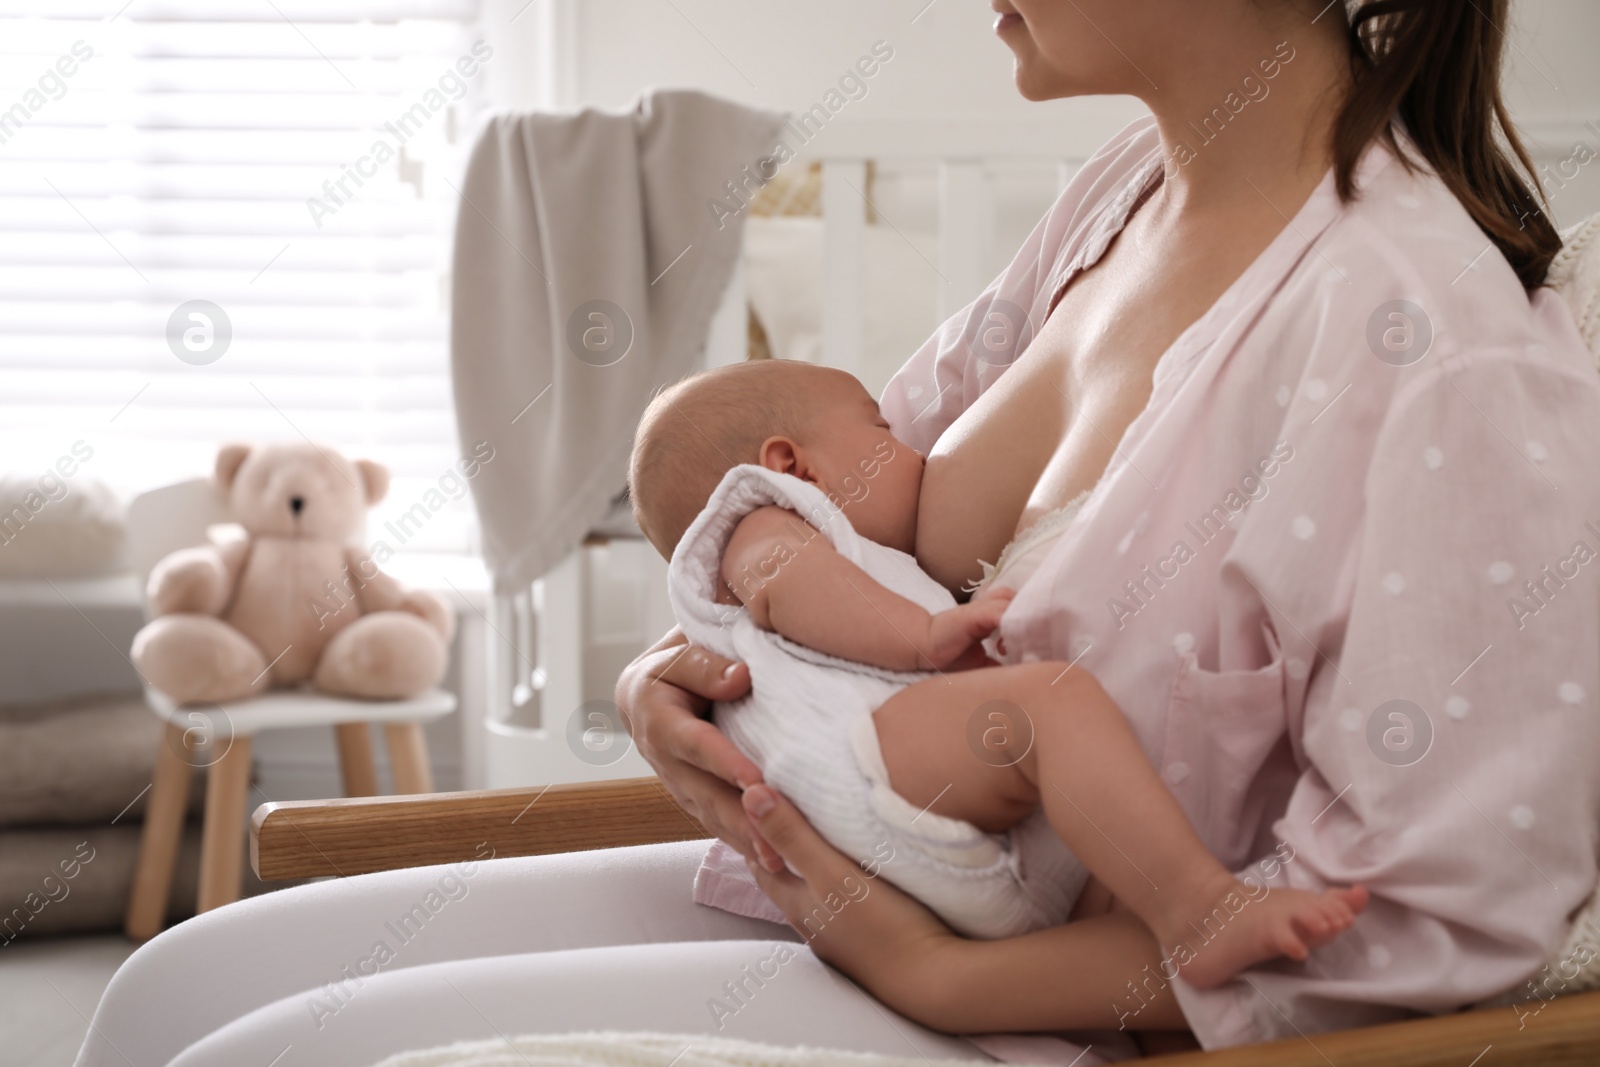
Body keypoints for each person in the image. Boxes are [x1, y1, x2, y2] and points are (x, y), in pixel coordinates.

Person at [79, 1, 1600, 1063]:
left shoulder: (1429, 344)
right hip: (854, 890)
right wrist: (670, 677)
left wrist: (951, 974)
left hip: (1052, 1005)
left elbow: (1412, 932)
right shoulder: (1123, 200)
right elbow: (824, 504)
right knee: (176, 989)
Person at [629, 357, 1368, 977]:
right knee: (1053, 704)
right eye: (882, 430)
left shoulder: (823, 545)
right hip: (862, 762)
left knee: (1115, 847)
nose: (916, 453)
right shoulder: (763, 518)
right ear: (791, 464)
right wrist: (924, 634)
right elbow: (793, 583)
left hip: (946, 867)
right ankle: (1200, 910)